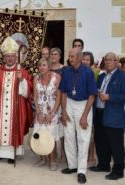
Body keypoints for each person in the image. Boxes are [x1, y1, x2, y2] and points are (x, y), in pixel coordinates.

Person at [0, 37, 33, 164]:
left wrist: (23, 80)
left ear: (16, 57)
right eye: (7, 56)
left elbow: (28, 89)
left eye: (12, 56)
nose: (10, 58)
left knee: (13, 127)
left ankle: (12, 154)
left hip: (16, 108)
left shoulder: (22, 71)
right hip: (0, 107)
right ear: (3, 58)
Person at [59, 48, 98, 184]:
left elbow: (92, 96)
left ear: (80, 57)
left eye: (73, 56)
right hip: (69, 103)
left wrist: (84, 115)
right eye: (69, 56)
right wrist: (63, 112)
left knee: (83, 138)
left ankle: (81, 170)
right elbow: (63, 92)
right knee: (68, 135)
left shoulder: (89, 72)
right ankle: (72, 165)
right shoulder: (67, 71)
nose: (70, 58)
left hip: (83, 105)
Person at [90, 52, 125, 180]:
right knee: (100, 140)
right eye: (106, 60)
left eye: (111, 60)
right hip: (99, 112)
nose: (108, 62)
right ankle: (103, 164)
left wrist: (110, 97)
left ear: (117, 62)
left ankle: (118, 170)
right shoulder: (101, 76)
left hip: (113, 115)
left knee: (115, 143)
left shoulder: (122, 77)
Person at [33, 58, 61, 171]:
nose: (41, 67)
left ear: (49, 67)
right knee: (40, 133)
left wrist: (53, 114)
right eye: (40, 65)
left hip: (52, 110)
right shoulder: (36, 77)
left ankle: (52, 160)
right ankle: (43, 158)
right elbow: (34, 96)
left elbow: (59, 97)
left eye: (44, 65)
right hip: (40, 110)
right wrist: (38, 113)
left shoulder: (56, 77)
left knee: (50, 135)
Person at [49, 47, 67, 164]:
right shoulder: (46, 68)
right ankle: (53, 152)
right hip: (50, 103)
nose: (53, 56)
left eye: (56, 54)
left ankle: (64, 154)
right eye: (52, 54)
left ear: (60, 56)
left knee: (62, 131)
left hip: (61, 102)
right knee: (52, 129)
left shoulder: (65, 69)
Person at [82, 51, 99, 168]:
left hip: (91, 105)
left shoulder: (95, 73)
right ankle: (82, 156)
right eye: (83, 59)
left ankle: (91, 157)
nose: (85, 62)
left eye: (87, 60)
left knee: (90, 133)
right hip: (79, 105)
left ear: (91, 62)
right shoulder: (78, 73)